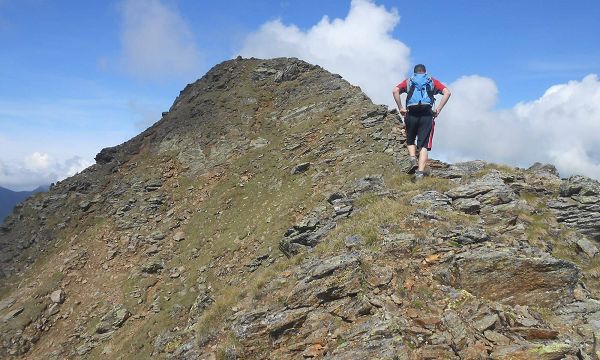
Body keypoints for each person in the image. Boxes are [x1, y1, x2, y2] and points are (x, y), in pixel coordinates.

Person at [392, 64, 451, 180]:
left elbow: (395, 91)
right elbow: (447, 93)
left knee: (410, 139)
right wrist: (438, 109)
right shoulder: (431, 81)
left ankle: (413, 159)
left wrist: (400, 108)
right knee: (423, 144)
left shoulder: (409, 81)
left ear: (414, 72)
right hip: (427, 113)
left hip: (411, 113)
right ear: (425, 72)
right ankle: (419, 173)